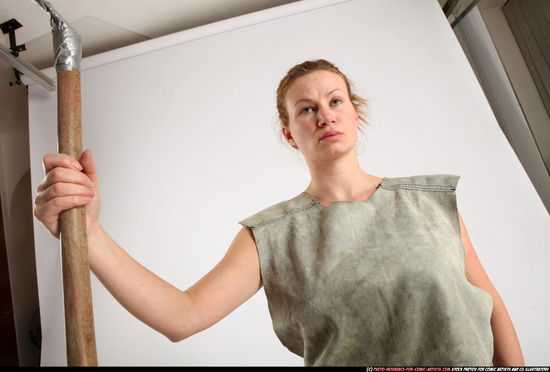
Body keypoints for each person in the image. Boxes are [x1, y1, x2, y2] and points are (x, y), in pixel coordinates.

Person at [34, 59, 524, 366]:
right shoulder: (270, 235)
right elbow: (181, 317)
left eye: (335, 101)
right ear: (290, 132)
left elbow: (491, 304)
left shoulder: (429, 201)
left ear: (356, 113)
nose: (325, 114)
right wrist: (90, 235)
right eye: (306, 109)